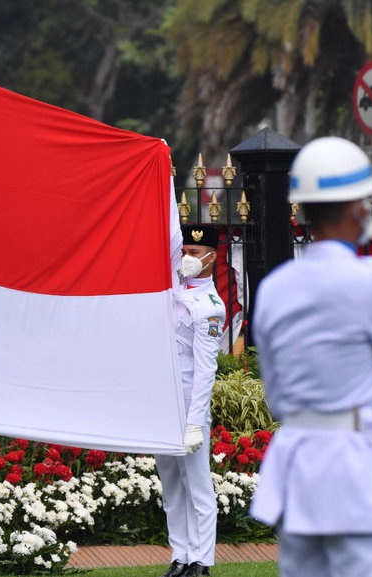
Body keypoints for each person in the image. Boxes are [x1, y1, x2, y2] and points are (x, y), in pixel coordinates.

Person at [250, 137, 372, 577]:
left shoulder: (275, 287)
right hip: (357, 477)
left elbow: (277, 396)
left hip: (298, 474)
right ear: (359, 208)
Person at [154, 224, 225, 577]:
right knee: (171, 484)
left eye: (195, 254)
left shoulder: (211, 307)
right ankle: (180, 556)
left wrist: (196, 421)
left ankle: (202, 560)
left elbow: (204, 371)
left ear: (212, 257)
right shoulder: (175, 287)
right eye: (186, 252)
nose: (187, 259)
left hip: (188, 404)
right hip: (165, 400)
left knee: (197, 484)